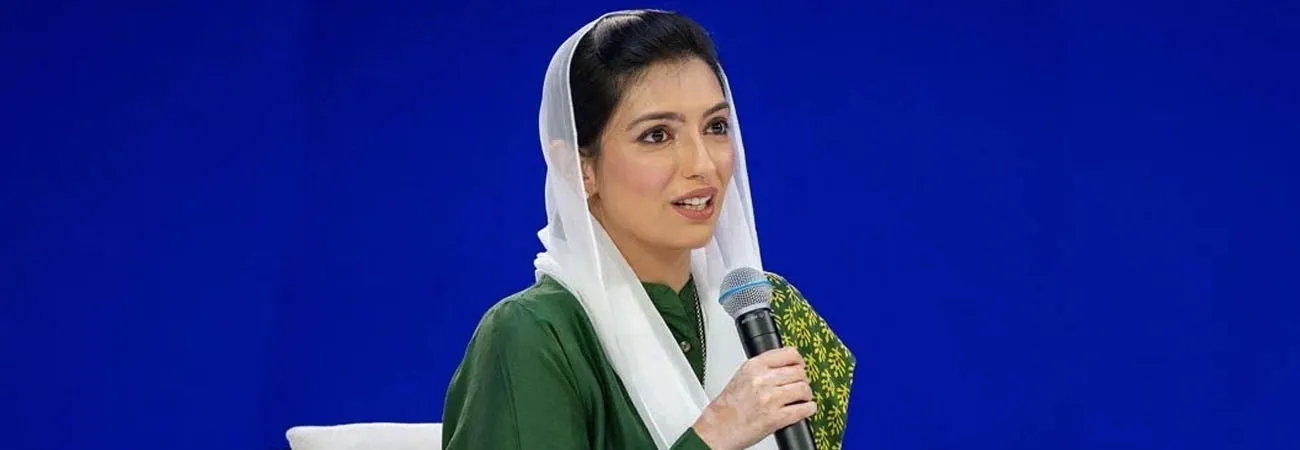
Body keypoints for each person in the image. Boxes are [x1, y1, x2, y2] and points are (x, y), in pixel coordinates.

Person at [441, 10, 854, 450]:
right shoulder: (535, 335)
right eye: (657, 135)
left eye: (715, 127)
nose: (703, 164)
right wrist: (714, 434)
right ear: (579, 168)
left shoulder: (774, 312)